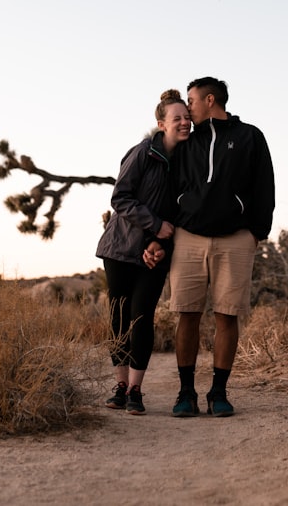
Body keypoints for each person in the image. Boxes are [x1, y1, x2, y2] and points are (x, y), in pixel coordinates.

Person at [165, 76, 275, 417]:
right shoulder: (186, 140)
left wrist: (257, 231)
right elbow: (169, 183)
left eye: (192, 101)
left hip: (236, 238)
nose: (188, 108)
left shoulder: (250, 137)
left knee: (228, 315)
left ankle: (219, 392)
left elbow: (264, 184)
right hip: (189, 236)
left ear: (210, 100)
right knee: (187, 314)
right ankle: (186, 393)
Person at [95, 89, 191, 415]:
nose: (184, 123)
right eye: (177, 118)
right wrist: (154, 226)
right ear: (162, 123)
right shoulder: (142, 153)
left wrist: (159, 243)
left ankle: (136, 389)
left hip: (155, 253)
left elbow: (183, 212)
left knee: (142, 317)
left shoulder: (188, 162)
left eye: (186, 117)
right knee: (119, 318)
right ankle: (120, 385)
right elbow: (120, 198)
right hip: (120, 247)